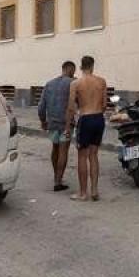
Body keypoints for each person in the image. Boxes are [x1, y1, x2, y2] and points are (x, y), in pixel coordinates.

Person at [66, 55, 107, 201]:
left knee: (82, 156)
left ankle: (83, 193)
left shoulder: (76, 84)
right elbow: (104, 105)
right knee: (94, 155)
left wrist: (68, 126)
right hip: (99, 118)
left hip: (85, 118)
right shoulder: (102, 81)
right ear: (92, 66)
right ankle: (94, 191)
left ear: (81, 67)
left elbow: (71, 107)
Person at [38, 61, 76, 191]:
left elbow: (41, 106)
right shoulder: (72, 83)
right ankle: (58, 182)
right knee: (63, 151)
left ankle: (56, 176)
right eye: (73, 71)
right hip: (66, 124)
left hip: (52, 123)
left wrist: (43, 121)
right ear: (71, 70)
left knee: (55, 148)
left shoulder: (49, 84)